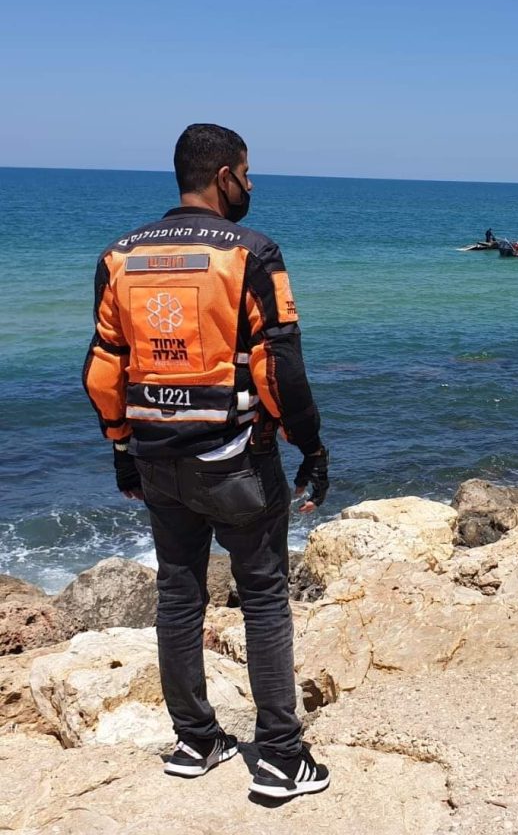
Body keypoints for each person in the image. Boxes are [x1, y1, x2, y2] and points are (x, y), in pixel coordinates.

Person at [83, 123, 330, 801]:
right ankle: (281, 757)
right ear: (224, 176)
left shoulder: (120, 255)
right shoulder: (250, 252)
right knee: (264, 599)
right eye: (247, 174)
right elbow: (280, 368)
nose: (251, 185)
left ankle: (195, 741)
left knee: (178, 594)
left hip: (156, 460)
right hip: (236, 461)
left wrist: (121, 450)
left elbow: (104, 369)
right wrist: (311, 448)